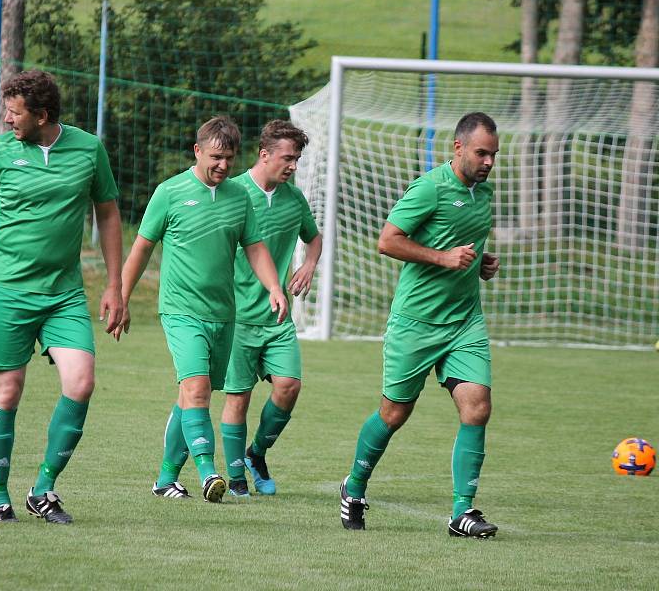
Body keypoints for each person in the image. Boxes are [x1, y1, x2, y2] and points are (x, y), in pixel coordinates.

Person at [0, 70, 123, 524]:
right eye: (7, 109)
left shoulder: (88, 149)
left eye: (15, 111)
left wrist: (114, 284)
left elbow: (107, 215)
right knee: (7, 391)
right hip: (7, 291)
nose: (7, 118)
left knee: (81, 381)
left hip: (63, 294)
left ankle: (43, 488)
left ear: (42, 115)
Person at [339, 112, 501, 537]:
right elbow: (387, 240)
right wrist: (443, 258)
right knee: (394, 413)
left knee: (477, 406)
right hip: (416, 323)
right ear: (458, 147)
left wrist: (478, 264)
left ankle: (462, 513)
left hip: (464, 322)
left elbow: (462, 242)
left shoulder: (483, 196)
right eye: (481, 153)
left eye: (494, 155)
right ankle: (354, 486)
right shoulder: (429, 188)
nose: (488, 162)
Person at [116, 116, 287, 503]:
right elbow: (141, 248)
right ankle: (210, 473)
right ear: (197, 151)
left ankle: (165, 479)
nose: (223, 165)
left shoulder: (239, 197)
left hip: (223, 315)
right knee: (197, 389)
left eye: (229, 158)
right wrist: (121, 297)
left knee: (188, 395)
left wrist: (274, 286)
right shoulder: (170, 192)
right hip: (181, 311)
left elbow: (255, 246)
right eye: (215, 157)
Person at [219, 120, 321, 498]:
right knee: (238, 398)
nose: (293, 165)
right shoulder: (233, 193)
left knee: (289, 386)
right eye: (287, 158)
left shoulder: (294, 200)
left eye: (296, 159)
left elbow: (313, 239)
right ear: (264, 155)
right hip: (237, 318)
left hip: (278, 318)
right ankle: (235, 479)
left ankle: (256, 454)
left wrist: (309, 264)